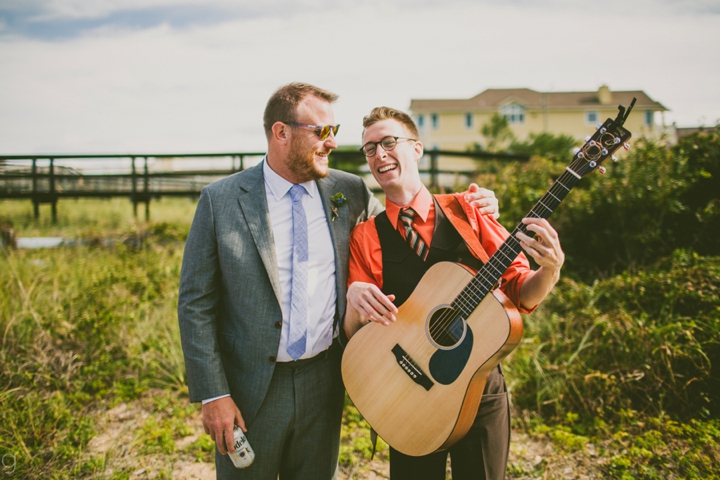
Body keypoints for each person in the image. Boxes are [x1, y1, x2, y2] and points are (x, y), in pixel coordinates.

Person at [177, 83, 499, 479]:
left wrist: (471, 206)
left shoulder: (348, 191)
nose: (331, 143)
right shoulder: (221, 200)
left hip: (324, 382)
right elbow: (195, 304)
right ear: (281, 133)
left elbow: (410, 215)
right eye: (321, 131)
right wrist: (214, 394)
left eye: (335, 130)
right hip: (250, 390)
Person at [343, 107, 565, 480]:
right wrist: (354, 300)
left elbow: (520, 293)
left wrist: (551, 270)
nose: (379, 154)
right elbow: (356, 333)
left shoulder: (469, 210)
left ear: (417, 149)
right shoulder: (365, 236)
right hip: (406, 392)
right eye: (369, 148)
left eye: (389, 142)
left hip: (478, 389)